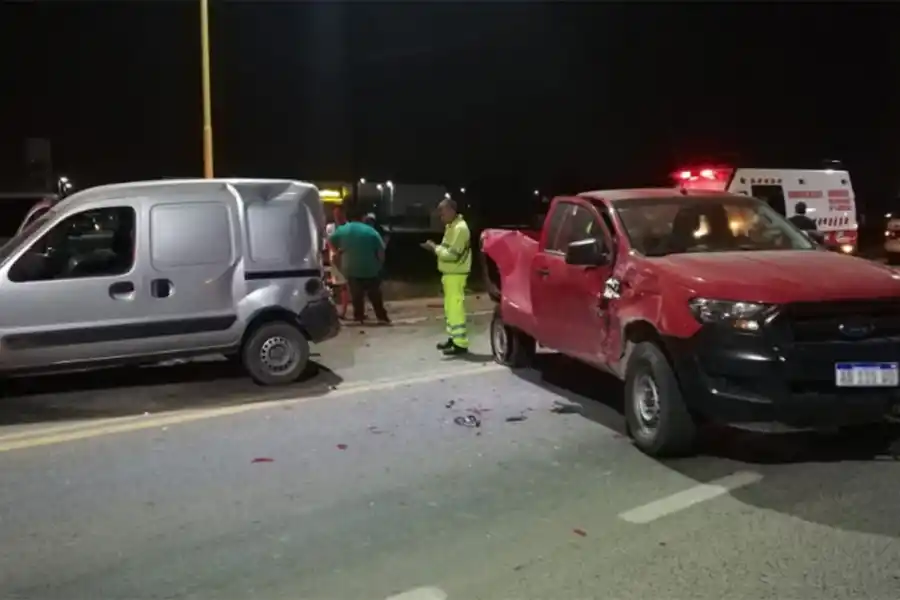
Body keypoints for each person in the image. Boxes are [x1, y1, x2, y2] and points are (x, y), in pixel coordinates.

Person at [421, 198, 471, 356]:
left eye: (442, 213)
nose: (440, 217)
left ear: (451, 210)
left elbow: (452, 255)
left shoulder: (460, 229)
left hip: (456, 275)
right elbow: (447, 248)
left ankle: (460, 344)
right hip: (450, 275)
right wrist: (436, 247)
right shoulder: (452, 227)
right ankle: (454, 339)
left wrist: (435, 249)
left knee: (455, 310)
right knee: (450, 310)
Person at [329, 207, 391, 325]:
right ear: (363, 218)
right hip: (370, 268)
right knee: (375, 295)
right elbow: (381, 250)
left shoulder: (342, 230)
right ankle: (382, 317)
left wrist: (338, 252)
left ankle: (359, 316)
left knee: (356, 295)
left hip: (351, 268)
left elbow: (331, 241)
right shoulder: (371, 231)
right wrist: (379, 264)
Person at [324, 205, 350, 319]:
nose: (337, 216)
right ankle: (336, 311)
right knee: (337, 287)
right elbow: (327, 243)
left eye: (339, 214)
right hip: (334, 260)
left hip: (346, 259)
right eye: (335, 214)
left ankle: (344, 311)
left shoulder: (349, 227)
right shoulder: (330, 228)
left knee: (345, 286)